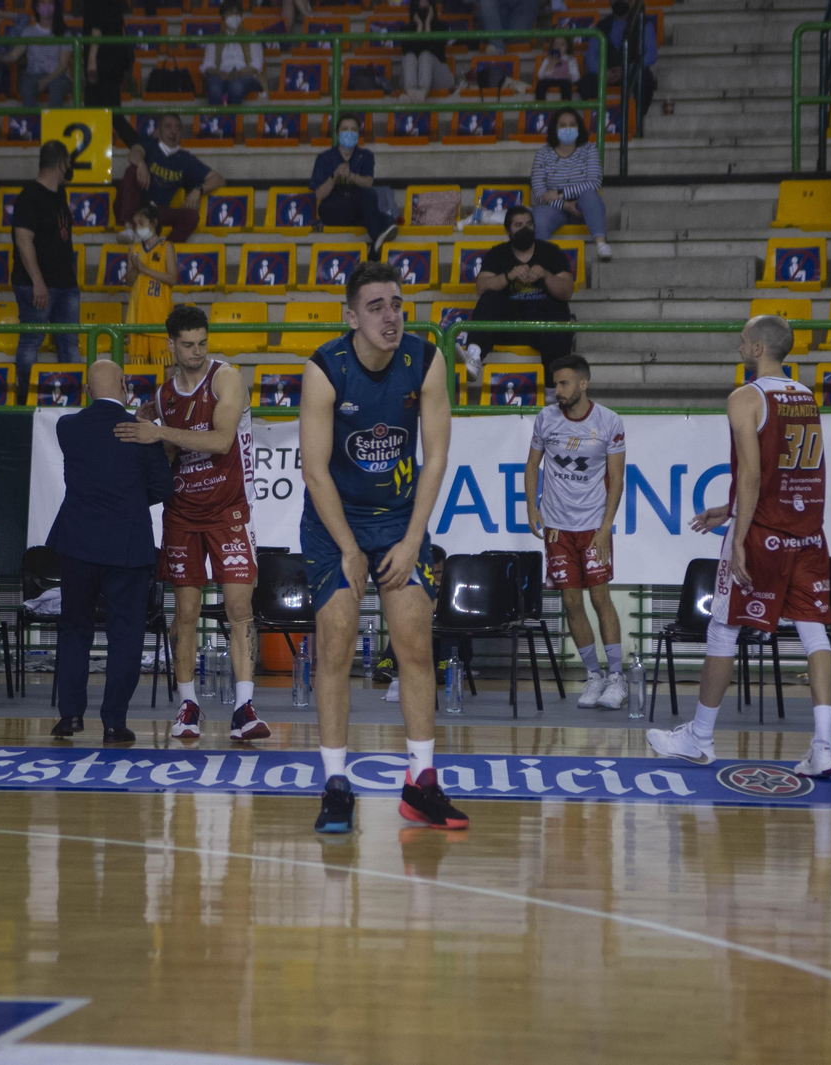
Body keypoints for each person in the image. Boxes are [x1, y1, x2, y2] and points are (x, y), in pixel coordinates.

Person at [301, 261, 464, 834]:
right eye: (375, 307)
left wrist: (414, 538)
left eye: (396, 304)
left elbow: (436, 456)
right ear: (351, 317)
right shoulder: (325, 369)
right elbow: (314, 471)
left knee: (415, 644)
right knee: (336, 645)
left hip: (397, 520)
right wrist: (349, 549)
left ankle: (422, 784)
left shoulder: (427, 358)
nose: (390, 316)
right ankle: (335, 785)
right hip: (334, 521)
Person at [646, 315, 831, 776]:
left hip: (763, 533)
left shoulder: (745, 397)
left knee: (723, 629)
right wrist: (729, 508)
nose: (739, 347)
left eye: (743, 342)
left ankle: (700, 738)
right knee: (814, 633)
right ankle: (823, 746)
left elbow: (753, 474)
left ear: (758, 348)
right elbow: (787, 470)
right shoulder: (806, 395)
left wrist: (739, 536)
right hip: (808, 532)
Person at [113, 305, 270, 742]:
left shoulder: (225, 378)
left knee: (239, 609)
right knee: (185, 613)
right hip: (182, 512)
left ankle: (244, 708)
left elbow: (221, 441)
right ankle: (188, 705)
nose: (197, 352)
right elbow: (166, 457)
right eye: (187, 345)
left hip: (229, 510)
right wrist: (147, 433)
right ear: (171, 345)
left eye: (202, 343)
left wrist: (160, 432)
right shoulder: (163, 396)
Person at [46, 359, 174, 742]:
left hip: (77, 543)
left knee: (74, 629)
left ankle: (70, 716)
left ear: (87, 391)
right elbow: (163, 488)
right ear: (125, 385)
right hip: (128, 545)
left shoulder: (67, 427)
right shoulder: (141, 433)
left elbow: (98, 450)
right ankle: (114, 723)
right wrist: (131, 499)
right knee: (126, 634)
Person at [524, 354, 627, 709]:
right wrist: (532, 506)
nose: (558, 390)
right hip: (557, 527)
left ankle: (617, 677)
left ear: (584, 384)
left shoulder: (609, 421)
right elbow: (532, 465)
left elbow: (616, 480)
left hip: (593, 526)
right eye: (556, 384)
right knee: (570, 602)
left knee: (600, 598)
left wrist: (606, 527)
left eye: (564, 383)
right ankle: (593, 676)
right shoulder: (546, 418)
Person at [459, 205, 576, 380]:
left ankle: (553, 389)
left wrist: (546, 275)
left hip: (541, 323)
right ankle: (474, 356)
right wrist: (509, 276)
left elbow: (567, 292)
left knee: (558, 311)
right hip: (509, 325)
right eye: (518, 225)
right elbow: (481, 288)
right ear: (508, 231)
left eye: (529, 224)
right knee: (489, 298)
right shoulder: (497, 253)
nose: (525, 229)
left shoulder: (552, 252)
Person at [12, 140, 81, 403]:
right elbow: (23, 241)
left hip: (65, 283)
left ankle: (72, 399)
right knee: (31, 340)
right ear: (62, 163)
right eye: (68, 163)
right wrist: (37, 282)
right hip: (37, 284)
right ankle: (25, 399)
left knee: (69, 342)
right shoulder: (30, 196)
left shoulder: (59, 193)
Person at [116, 113, 226, 245]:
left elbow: (218, 178)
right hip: (134, 206)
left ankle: (165, 249)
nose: (174, 131)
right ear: (158, 131)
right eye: (168, 127)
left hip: (156, 211)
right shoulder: (149, 144)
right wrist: (141, 164)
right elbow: (135, 152)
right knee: (132, 170)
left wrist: (199, 190)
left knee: (191, 216)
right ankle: (129, 229)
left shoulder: (185, 159)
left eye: (178, 128)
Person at [311, 115, 399, 256]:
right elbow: (319, 195)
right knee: (384, 222)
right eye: (345, 129)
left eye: (353, 130)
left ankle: (374, 252)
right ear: (337, 134)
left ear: (358, 134)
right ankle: (377, 242)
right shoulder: (324, 158)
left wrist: (350, 176)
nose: (349, 133)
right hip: (333, 209)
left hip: (357, 208)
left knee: (386, 217)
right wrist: (335, 176)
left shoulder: (366, 156)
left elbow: (368, 182)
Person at [530, 107, 611, 259]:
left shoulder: (589, 150)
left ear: (579, 128)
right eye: (562, 125)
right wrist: (564, 204)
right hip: (554, 208)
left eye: (572, 125)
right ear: (554, 129)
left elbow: (594, 183)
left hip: (583, 206)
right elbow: (540, 193)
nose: (568, 129)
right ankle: (541, 258)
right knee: (539, 214)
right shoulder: (543, 154)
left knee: (590, 196)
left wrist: (560, 193)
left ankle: (601, 245)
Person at [582, 0, 658, 116]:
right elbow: (591, 55)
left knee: (646, 80)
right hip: (607, 73)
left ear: (631, 1)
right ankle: (598, 118)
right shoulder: (601, 26)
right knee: (585, 85)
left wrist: (627, 70)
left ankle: (636, 119)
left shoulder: (644, 24)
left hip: (632, 73)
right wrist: (603, 72)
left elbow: (651, 54)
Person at [123, 202, 177, 363]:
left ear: (154, 222)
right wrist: (136, 268)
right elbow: (129, 281)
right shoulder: (134, 248)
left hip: (159, 315)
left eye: (141, 223)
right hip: (137, 315)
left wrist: (144, 269)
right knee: (138, 367)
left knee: (165, 364)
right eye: (135, 224)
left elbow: (172, 279)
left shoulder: (166, 246)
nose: (138, 228)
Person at [83, 0, 140, 148]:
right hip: (114, 61)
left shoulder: (96, 4)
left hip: (103, 62)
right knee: (112, 114)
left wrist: (91, 60)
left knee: (98, 112)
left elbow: (97, 30)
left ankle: (140, 147)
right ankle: (139, 146)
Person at [5, 0, 72, 108]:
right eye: (43, 3)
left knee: (57, 86)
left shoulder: (64, 33)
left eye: (50, 3)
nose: (46, 6)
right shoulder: (28, 32)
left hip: (58, 75)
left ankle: (53, 118)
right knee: (26, 88)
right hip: (33, 75)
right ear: (36, 7)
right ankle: (32, 118)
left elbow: (63, 65)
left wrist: (46, 80)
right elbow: (14, 55)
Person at [201, 1, 264, 106]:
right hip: (220, 75)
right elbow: (207, 65)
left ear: (241, 16)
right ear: (223, 17)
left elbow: (257, 65)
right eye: (229, 14)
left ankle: (232, 116)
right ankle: (216, 116)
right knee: (214, 90)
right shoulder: (214, 39)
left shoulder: (251, 37)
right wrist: (219, 73)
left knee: (235, 88)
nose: (234, 17)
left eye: (237, 13)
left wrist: (239, 73)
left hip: (245, 75)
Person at [403, 0, 456, 102]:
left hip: (439, 76)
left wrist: (427, 25)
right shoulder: (405, 30)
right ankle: (411, 92)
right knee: (409, 56)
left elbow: (435, 50)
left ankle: (421, 94)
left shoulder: (441, 28)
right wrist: (419, 27)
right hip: (414, 78)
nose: (423, 3)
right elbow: (411, 50)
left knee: (426, 54)